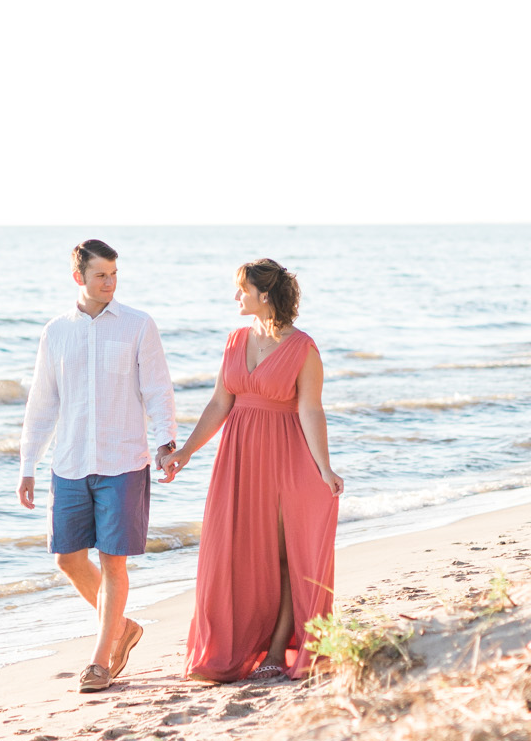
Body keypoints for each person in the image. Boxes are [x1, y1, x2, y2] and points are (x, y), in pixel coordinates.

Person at [161, 258, 343, 683]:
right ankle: (236, 645)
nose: (235, 297)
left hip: (287, 457)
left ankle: (278, 649)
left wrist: (324, 467)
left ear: (264, 295)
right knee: (234, 553)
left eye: (241, 289)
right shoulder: (234, 341)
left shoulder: (303, 348)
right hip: (238, 458)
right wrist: (185, 451)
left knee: (284, 556)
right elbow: (220, 404)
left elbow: (311, 410)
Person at [19, 238, 177, 692]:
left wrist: (166, 443)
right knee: (67, 560)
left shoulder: (138, 325)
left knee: (113, 562)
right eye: (100, 275)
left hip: (124, 460)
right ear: (79, 278)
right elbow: (43, 402)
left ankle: (99, 661)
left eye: (113, 275)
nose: (109, 283)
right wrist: (28, 462)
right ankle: (124, 629)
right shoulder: (56, 332)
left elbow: (157, 389)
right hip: (68, 462)